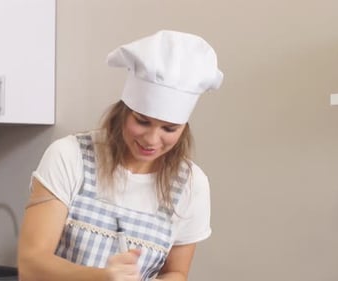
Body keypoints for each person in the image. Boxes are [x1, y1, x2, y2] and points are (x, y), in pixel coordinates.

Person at [18, 30, 223, 281]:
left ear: (183, 128)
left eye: (169, 129)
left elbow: (176, 272)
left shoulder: (192, 185)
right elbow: (31, 265)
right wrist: (103, 277)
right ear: (123, 111)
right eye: (142, 121)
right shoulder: (70, 156)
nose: (151, 140)